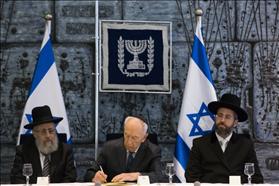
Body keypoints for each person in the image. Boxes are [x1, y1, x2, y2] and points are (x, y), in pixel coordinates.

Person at [185, 93, 264, 183]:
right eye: (220, 115)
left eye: (228, 117)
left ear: (235, 122)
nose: (222, 120)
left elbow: (256, 178)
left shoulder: (245, 144)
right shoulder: (200, 143)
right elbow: (191, 175)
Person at [84, 115, 162, 183]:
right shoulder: (109, 148)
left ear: (144, 138)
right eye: (127, 135)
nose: (129, 142)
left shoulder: (152, 151)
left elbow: (158, 176)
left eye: (134, 138)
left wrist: (137, 176)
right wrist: (95, 176)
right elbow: (89, 173)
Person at [10, 105, 76, 183]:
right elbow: (17, 179)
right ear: (35, 134)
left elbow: (70, 179)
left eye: (51, 131)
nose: (48, 136)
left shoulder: (65, 151)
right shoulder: (23, 151)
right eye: (43, 132)